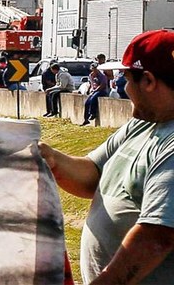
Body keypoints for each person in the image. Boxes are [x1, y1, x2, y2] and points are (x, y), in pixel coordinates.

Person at [39, 29, 174, 284]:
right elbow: (93, 174)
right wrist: (53, 159)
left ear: (148, 81)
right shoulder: (144, 123)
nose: (123, 87)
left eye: (125, 78)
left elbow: (157, 236)